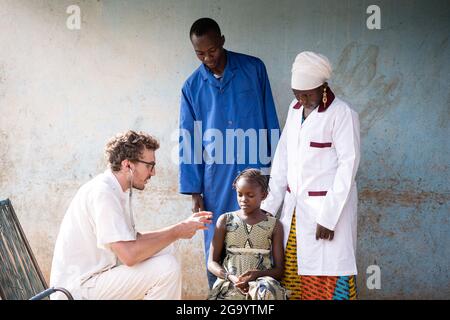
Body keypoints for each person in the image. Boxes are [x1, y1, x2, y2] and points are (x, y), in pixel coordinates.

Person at [50, 130, 212, 300]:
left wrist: (181, 228)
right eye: (149, 165)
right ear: (127, 165)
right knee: (166, 268)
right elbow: (129, 255)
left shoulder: (114, 189)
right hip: (78, 290)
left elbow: (134, 240)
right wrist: (177, 231)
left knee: (168, 248)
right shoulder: (103, 192)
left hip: (92, 282)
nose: (153, 173)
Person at [179, 17, 280, 288]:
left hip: (255, 169)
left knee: (260, 235)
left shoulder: (253, 69)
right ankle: (219, 292)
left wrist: (275, 170)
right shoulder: (191, 87)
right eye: (200, 53)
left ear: (222, 41)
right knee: (217, 238)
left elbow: (269, 117)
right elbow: (188, 139)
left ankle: (259, 294)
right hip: (216, 176)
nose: (207, 57)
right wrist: (194, 191)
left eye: (211, 50)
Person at [261, 51, 360, 300]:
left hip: (326, 215)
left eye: (308, 93)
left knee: (329, 277)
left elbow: (348, 168)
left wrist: (329, 217)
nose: (302, 99)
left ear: (323, 86)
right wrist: (267, 211)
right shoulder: (295, 110)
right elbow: (282, 163)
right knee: (293, 278)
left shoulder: (342, 114)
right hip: (295, 214)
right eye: (297, 93)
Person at [207, 169, 286, 300]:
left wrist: (257, 275)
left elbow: (279, 270)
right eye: (240, 194)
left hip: (261, 284)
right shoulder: (225, 220)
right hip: (230, 280)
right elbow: (211, 262)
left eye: (250, 195)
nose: (243, 199)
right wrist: (230, 277)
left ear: (264, 195)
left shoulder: (274, 225)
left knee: (265, 294)